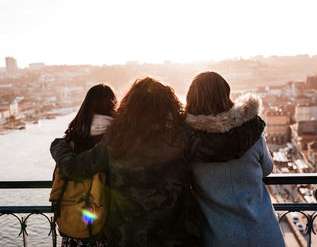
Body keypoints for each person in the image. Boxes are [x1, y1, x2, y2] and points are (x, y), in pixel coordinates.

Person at [50, 76, 267, 246]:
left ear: (129, 106)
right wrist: (254, 122)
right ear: (169, 104)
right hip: (177, 236)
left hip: (127, 237)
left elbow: (76, 167)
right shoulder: (180, 135)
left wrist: (58, 146)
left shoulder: (116, 139)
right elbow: (226, 148)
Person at [184, 71, 285, 247]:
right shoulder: (251, 132)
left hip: (220, 238)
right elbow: (267, 169)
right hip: (264, 234)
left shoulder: (189, 143)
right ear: (226, 94)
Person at [49, 84, 117, 247]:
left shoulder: (71, 139)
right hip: (101, 228)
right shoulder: (112, 142)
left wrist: (57, 145)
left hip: (71, 225)